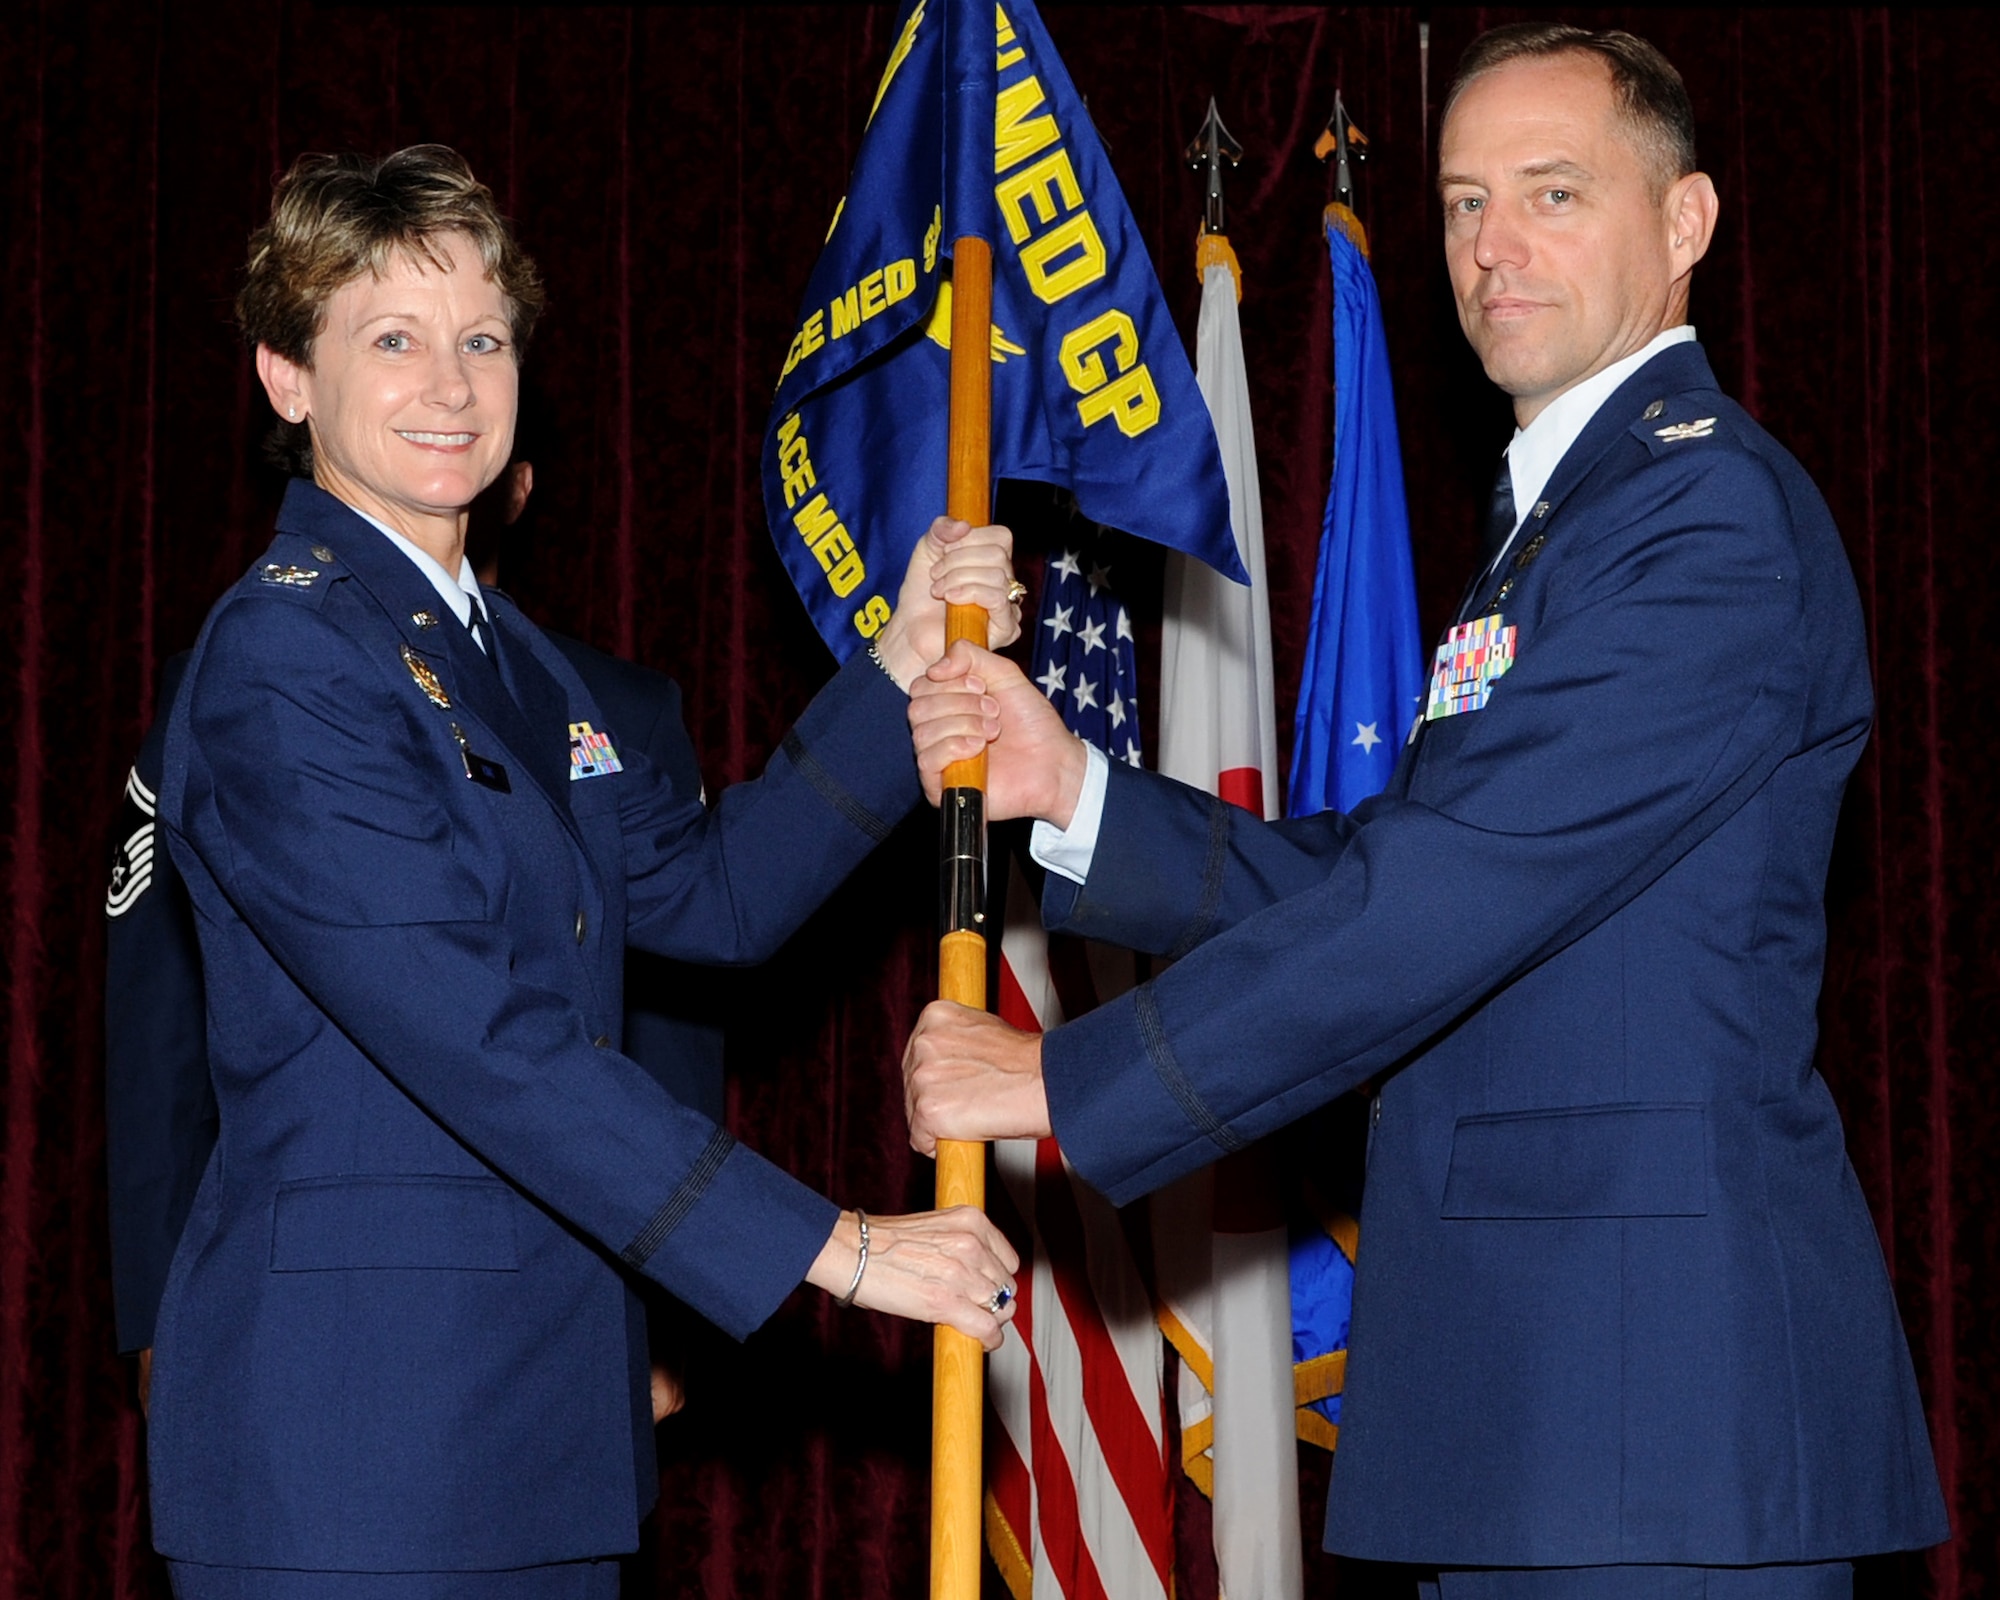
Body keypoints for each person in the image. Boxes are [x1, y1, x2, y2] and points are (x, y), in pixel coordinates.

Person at [902, 25, 1948, 1598]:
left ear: (1686, 226)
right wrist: (1083, 799)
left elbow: (1440, 899)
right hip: (1526, 1419)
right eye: (1464, 204)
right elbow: (1395, 872)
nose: (1491, 249)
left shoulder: (1707, 514)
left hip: (1649, 1434)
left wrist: (1065, 1083)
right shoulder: (1564, 522)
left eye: (1551, 194)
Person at [148, 144, 1023, 1597]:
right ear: (286, 379)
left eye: (482, 339)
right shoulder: (283, 659)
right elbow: (486, 1044)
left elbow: (711, 898)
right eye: (392, 339)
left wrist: (902, 659)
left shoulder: (504, 648)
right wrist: (838, 1248)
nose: (451, 384)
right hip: (359, 1462)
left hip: (540, 1435)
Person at [104, 460, 724, 1426]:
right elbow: (162, 1012)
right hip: (328, 1280)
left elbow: (669, 1015)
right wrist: (155, 1305)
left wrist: (667, 1304)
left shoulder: (614, 704)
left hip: (580, 1274)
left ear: (523, 484)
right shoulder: (245, 669)